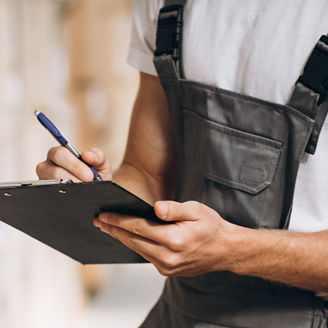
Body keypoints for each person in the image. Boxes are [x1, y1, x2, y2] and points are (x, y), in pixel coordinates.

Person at [37, 0, 328, 327]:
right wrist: (99, 192)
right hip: (182, 311)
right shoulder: (163, 5)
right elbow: (147, 170)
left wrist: (232, 249)